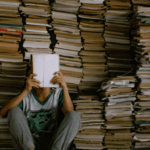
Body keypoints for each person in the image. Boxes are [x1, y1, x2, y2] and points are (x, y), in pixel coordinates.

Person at [0, 71, 81, 150]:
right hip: (29, 144)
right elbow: (3, 113)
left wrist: (64, 87)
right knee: (14, 111)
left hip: (53, 143)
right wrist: (25, 91)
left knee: (74, 115)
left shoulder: (57, 94)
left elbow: (70, 115)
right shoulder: (26, 96)